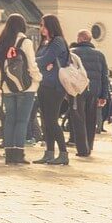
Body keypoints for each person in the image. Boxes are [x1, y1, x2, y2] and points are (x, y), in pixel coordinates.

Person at [0, 14, 42, 164]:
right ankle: (18, 154)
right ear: (22, 25)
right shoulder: (25, 42)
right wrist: (37, 79)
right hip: (27, 87)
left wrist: (4, 78)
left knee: (10, 120)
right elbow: (32, 65)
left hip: (7, 88)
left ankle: (9, 155)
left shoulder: (0, 42)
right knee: (22, 121)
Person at [34, 15, 70, 165]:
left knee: (52, 121)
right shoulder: (45, 42)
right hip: (43, 85)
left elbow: (43, 60)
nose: (41, 28)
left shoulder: (58, 42)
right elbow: (41, 61)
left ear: (51, 26)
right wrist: (43, 63)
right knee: (45, 121)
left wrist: (40, 62)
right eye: (40, 25)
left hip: (55, 87)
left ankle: (63, 153)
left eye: (43, 25)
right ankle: (49, 153)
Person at [69, 29, 109, 157]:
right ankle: (89, 145)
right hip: (94, 90)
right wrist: (104, 95)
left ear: (80, 39)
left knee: (78, 118)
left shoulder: (72, 53)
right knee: (91, 118)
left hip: (77, 90)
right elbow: (105, 76)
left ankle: (82, 148)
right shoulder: (100, 55)